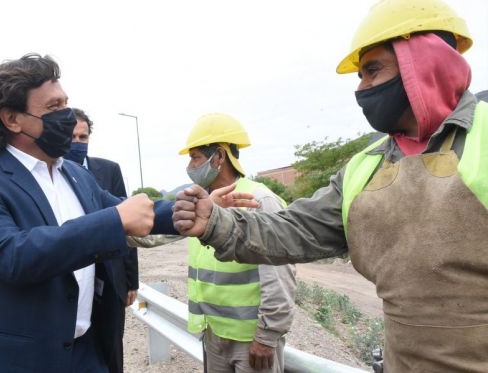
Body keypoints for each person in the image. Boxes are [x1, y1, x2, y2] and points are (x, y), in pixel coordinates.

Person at [173, 0, 487, 371]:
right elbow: (298, 229)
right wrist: (215, 223)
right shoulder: (365, 168)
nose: (361, 87)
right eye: (360, 75)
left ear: (424, 62)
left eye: (372, 70)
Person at [0, 53, 177, 373]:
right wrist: (115, 220)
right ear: (12, 119)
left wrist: (193, 209)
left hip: (85, 353)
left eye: (66, 103)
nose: (67, 115)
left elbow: (127, 209)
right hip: (19, 362)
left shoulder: (75, 174)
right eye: (53, 107)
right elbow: (15, 255)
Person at [181, 113, 296, 372]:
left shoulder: (259, 200)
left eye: (195, 156)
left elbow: (279, 276)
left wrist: (267, 336)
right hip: (214, 332)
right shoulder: (202, 204)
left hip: (251, 339)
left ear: (219, 156)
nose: (190, 165)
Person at [65, 107, 138, 372]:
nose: (78, 143)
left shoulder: (108, 170)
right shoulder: (53, 175)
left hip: (109, 279)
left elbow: (127, 224)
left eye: (83, 137)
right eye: (72, 137)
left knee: (111, 347)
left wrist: (131, 280)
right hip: (72, 278)